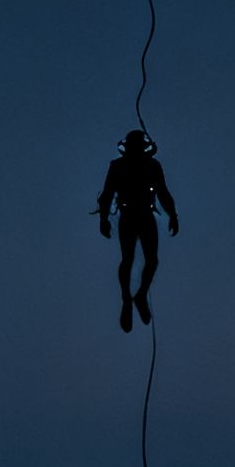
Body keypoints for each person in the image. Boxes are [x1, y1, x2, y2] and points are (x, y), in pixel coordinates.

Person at [96, 130, 179, 333]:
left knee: (151, 260)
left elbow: (163, 192)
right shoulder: (118, 167)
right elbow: (106, 194)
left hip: (145, 216)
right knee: (128, 259)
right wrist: (103, 219)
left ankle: (140, 295)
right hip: (129, 217)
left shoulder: (152, 166)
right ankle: (127, 298)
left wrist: (173, 215)